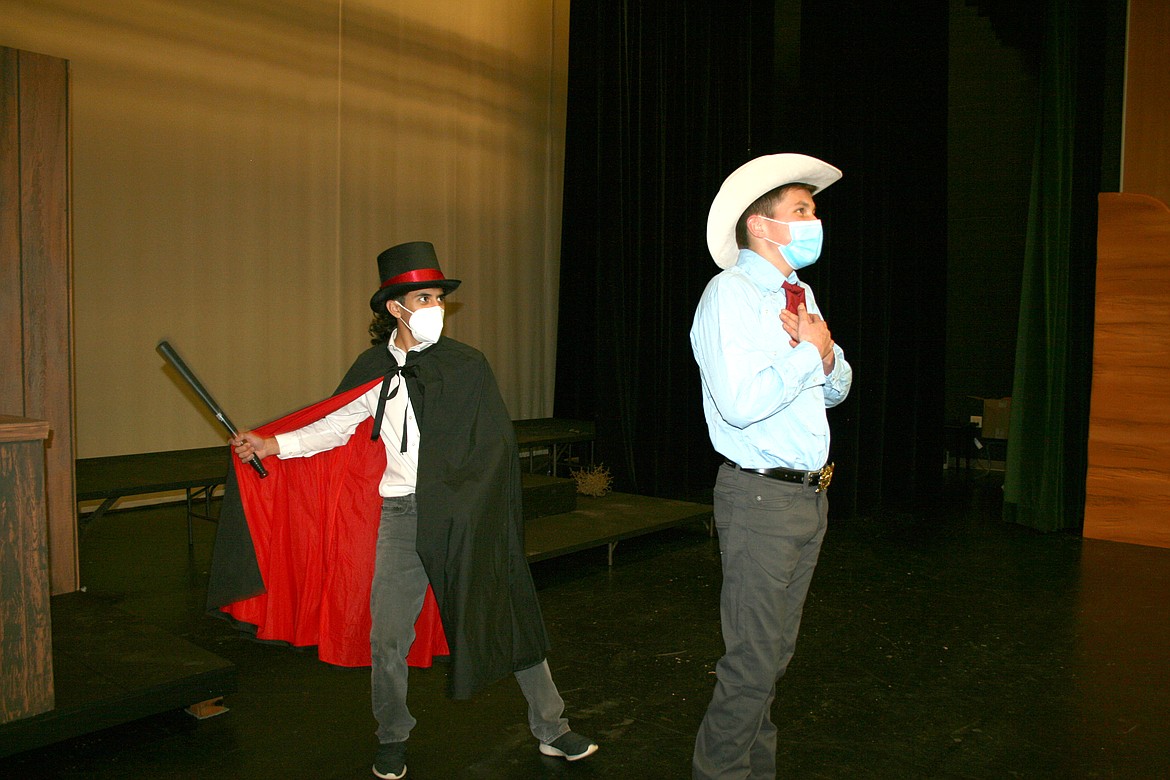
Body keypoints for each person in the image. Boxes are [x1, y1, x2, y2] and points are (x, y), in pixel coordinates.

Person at [210, 241, 598, 779]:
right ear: (396, 308)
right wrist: (272, 445)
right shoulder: (373, 369)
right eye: (424, 297)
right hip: (400, 516)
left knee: (503, 614)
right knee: (387, 635)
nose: (435, 306)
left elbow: (493, 449)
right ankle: (392, 737)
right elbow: (334, 424)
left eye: (438, 296)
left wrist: (475, 505)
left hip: (462, 515)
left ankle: (553, 729)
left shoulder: (465, 366)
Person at [689, 154, 853, 779]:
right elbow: (740, 404)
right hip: (761, 499)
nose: (814, 222)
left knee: (772, 661)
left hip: (808, 498)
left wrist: (825, 351)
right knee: (752, 662)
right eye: (802, 211)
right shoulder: (729, 294)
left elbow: (837, 388)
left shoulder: (800, 294)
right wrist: (809, 357)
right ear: (761, 225)